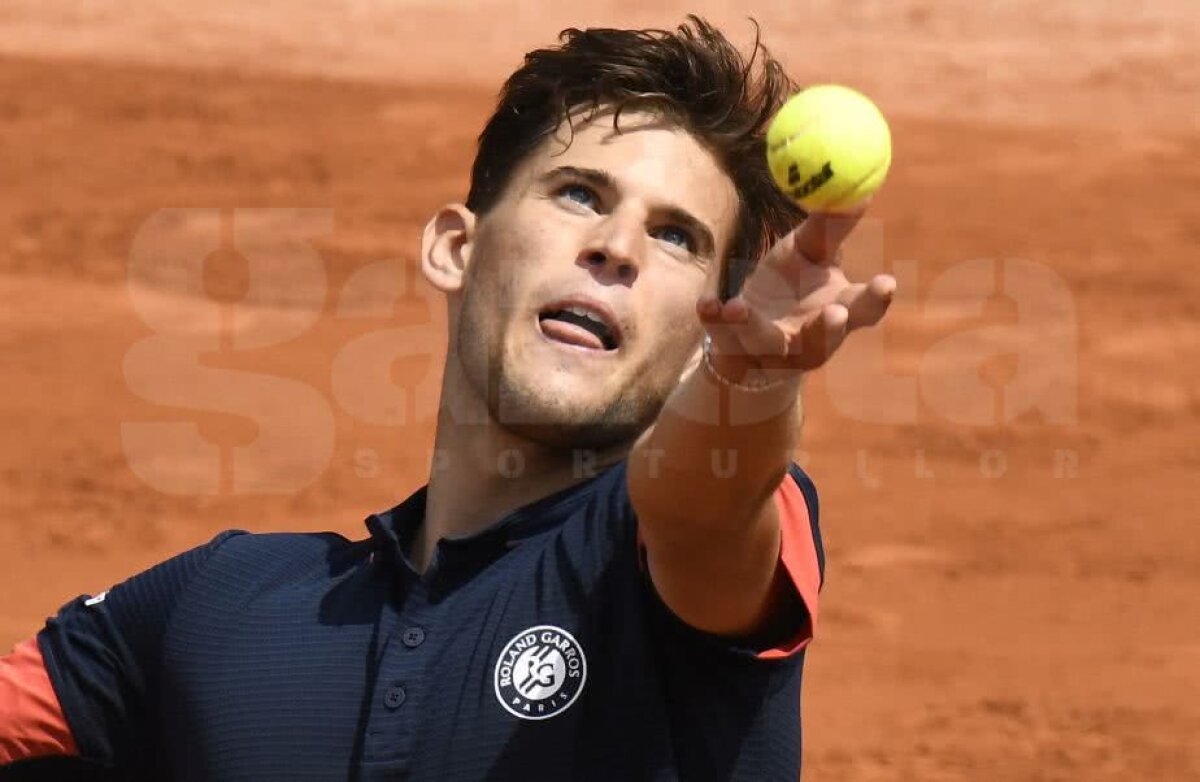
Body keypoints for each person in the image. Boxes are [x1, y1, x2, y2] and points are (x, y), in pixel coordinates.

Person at [0, 16, 894, 781]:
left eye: (676, 236)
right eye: (579, 194)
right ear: (454, 249)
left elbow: (705, 507)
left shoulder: (665, 570)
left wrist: (748, 377)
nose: (617, 245)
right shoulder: (215, 606)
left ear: (709, 323)